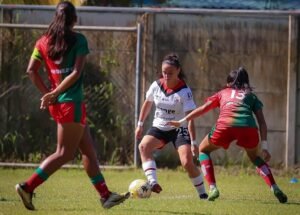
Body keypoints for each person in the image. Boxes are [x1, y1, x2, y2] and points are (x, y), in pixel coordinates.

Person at [15, 1, 129, 210]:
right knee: (64, 153)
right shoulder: (79, 40)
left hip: (58, 104)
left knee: (88, 150)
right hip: (71, 104)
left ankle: (105, 195)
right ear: (74, 19)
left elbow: (31, 70)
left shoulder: (42, 42)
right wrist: (55, 93)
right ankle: (27, 187)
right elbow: (76, 73)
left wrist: (48, 94)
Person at [168, 67, 288, 203]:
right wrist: (265, 146)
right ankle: (274, 187)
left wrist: (182, 121)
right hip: (248, 127)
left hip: (225, 125)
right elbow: (262, 122)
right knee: (255, 157)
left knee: (203, 150)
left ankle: (213, 188)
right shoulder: (251, 96)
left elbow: (202, 109)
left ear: (229, 83)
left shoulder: (223, 92)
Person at [135, 53, 208, 199]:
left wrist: (193, 142)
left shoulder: (184, 91)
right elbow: (147, 104)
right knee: (143, 146)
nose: (166, 76)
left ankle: (203, 195)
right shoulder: (156, 86)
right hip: (159, 127)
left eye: (170, 73)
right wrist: (140, 124)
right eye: (164, 72)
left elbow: (191, 118)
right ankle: (153, 182)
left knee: (187, 163)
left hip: (179, 129)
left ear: (178, 71)